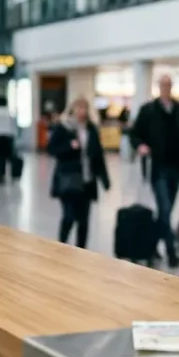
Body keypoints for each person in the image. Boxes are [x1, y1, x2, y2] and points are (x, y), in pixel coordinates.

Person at [131, 75, 179, 267]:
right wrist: (140, 146)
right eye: (163, 85)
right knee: (165, 208)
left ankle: (151, 247)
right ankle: (171, 250)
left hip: (177, 167)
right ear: (158, 87)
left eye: (169, 85)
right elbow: (135, 133)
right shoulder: (148, 110)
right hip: (158, 167)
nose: (166, 88)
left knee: (165, 211)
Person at [47, 97, 111, 249]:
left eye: (85, 108)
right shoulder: (63, 127)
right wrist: (69, 146)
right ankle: (61, 247)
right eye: (79, 108)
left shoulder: (91, 129)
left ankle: (81, 250)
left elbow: (98, 155)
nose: (82, 111)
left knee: (84, 220)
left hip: (87, 181)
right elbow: (51, 149)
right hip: (68, 179)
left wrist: (104, 178)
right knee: (69, 216)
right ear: (73, 109)